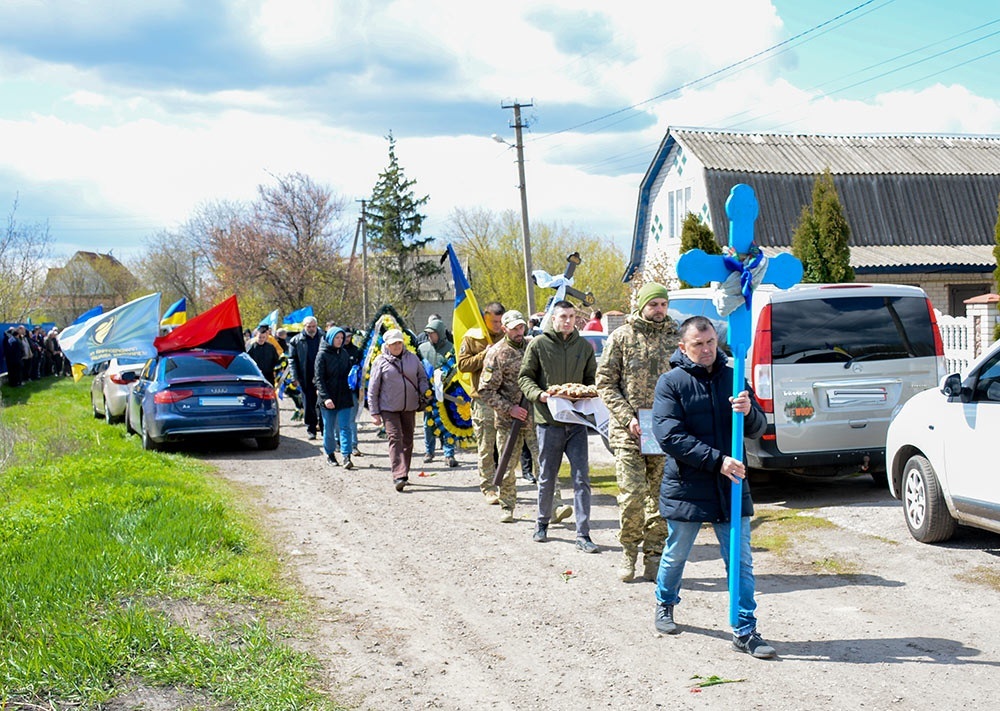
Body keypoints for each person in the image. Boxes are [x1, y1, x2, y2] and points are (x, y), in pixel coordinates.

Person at [650, 315, 775, 659]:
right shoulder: (670, 383)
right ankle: (665, 601)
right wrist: (717, 461)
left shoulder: (733, 376)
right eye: (698, 345)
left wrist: (749, 411)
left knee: (740, 561)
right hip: (688, 484)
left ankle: (745, 628)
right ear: (683, 347)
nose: (706, 351)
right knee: (677, 553)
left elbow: (757, 427)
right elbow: (669, 436)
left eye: (710, 343)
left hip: (731, 486)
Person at [596, 282, 680, 582]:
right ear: (642, 305)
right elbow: (605, 382)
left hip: (664, 431)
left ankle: (654, 556)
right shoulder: (622, 337)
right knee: (632, 495)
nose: (659, 310)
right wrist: (626, 417)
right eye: (653, 304)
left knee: (660, 498)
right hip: (628, 430)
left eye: (663, 304)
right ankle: (629, 552)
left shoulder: (677, 337)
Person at [518, 300, 599, 553]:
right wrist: (539, 395)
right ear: (553, 319)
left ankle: (583, 534)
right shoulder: (539, 345)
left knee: (581, 478)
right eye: (563, 316)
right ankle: (542, 522)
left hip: (575, 423)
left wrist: (587, 395)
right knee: (547, 476)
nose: (567, 321)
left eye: (572, 316)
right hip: (549, 422)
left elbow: (590, 380)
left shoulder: (584, 347)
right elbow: (525, 377)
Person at [480, 309, 572, 524]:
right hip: (508, 422)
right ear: (504, 329)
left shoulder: (534, 345)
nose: (519, 332)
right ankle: (507, 505)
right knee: (508, 466)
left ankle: (555, 505)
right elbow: (485, 390)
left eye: (521, 327)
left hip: (537, 418)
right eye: (514, 329)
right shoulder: (496, 353)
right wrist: (509, 408)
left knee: (546, 464)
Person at [368, 329, 429, 492]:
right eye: (393, 343)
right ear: (387, 345)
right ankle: (399, 475)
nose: (397, 346)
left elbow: (422, 377)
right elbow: (373, 389)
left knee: (408, 439)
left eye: (399, 342)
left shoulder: (413, 358)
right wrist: (374, 412)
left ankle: (404, 472)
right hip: (389, 408)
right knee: (395, 438)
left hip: (409, 406)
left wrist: (425, 390)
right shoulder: (380, 362)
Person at [457, 301, 505, 501]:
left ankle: (506, 485)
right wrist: (485, 354)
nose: (497, 325)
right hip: (482, 399)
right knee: (486, 445)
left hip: (504, 398)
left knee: (505, 446)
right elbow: (463, 365)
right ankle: (488, 487)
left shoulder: (508, 336)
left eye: (500, 321)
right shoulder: (472, 337)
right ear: (485, 318)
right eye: (494, 321)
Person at [418, 318, 458, 467]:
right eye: (428, 334)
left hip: (447, 394)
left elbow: (455, 370)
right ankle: (429, 451)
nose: (430, 336)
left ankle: (449, 453)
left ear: (440, 333)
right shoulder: (423, 349)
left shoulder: (451, 349)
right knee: (428, 424)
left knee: (448, 424)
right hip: (428, 393)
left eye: (432, 333)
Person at [315, 327, 356, 469]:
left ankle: (346, 455)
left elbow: (348, 373)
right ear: (330, 338)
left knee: (345, 427)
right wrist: (325, 397)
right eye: (337, 338)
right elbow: (318, 379)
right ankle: (330, 454)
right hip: (329, 398)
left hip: (344, 396)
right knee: (329, 428)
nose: (339, 341)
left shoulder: (344, 353)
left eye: (341, 338)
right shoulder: (322, 355)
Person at [288, 317, 325, 440]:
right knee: (308, 404)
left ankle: (325, 429)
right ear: (304, 326)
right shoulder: (296, 340)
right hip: (305, 377)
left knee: (323, 403)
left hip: (322, 376)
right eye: (309, 326)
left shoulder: (323, 338)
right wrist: (295, 377)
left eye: (313, 326)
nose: (311, 329)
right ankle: (311, 429)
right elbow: (292, 360)